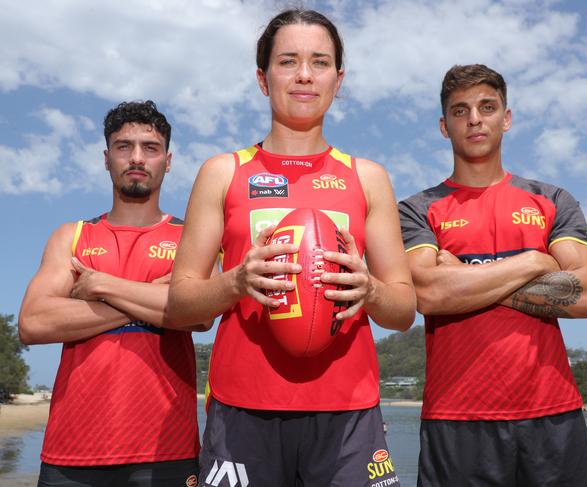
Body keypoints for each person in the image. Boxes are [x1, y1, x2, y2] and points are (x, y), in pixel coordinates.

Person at [167, 9, 416, 487]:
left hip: (348, 414)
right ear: (263, 78)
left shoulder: (368, 178)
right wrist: (236, 281)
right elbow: (181, 303)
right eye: (288, 61)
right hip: (243, 410)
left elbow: (403, 309)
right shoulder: (224, 172)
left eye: (319, 62)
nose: (304, 74)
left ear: (338, 79)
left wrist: (370, 290)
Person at [399, 64, 587, 487]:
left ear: (506, 118)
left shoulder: (551, 200)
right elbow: (428, 294)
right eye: (460, 111)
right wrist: (533, 261)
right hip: (455, 420)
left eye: (487, 107)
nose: (474, 119)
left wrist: (467, 278)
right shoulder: (417, 208)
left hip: (553, 417)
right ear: (444, 126)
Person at [19, 100, 208, 487]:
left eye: (150, 148)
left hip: (166, 451)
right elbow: (34, 322)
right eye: (124, 147)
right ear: (107, 158)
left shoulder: (192, 238)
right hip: (71, 452)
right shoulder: (71, 236)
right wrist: (153, 300)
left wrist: (103, 287)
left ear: (167, 161)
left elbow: (201, 314)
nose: (136, 157)